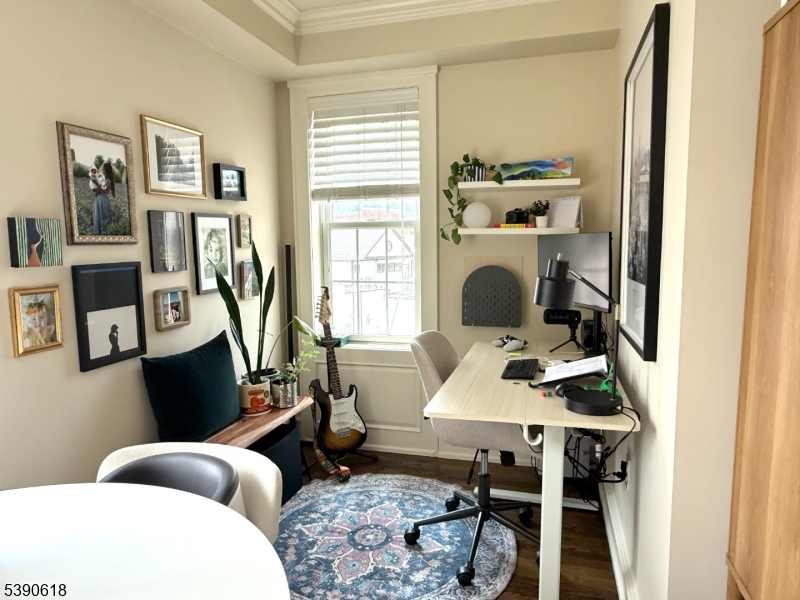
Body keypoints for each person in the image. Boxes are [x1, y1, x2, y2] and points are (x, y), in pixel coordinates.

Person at [92, 161, 115, 235]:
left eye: (104, 169)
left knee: (104, 218)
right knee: (98, 217)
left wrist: (97, 184)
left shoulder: (109, 181)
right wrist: (95, 188)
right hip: (98, 200)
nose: (102, 171)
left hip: (103, 201)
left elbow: (105, 191)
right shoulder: (102, 180)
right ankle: (98, 233)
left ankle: (104, 233)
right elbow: (99, 190)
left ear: (107, 170)